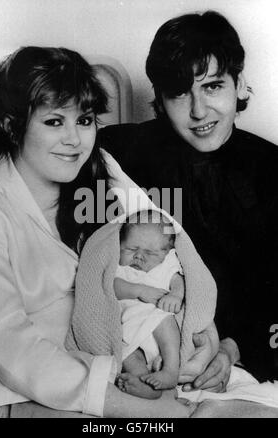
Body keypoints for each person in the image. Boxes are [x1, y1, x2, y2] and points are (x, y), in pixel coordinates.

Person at [0, 45, 203, 418]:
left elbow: (170, 236)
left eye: (84, 121)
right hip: (14, 390)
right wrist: (127, 406)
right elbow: (6, 342)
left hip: (115, 360)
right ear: (11, 124)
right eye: (54, 122)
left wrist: (204, 332)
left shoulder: (100, 167)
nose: (74, 139)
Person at [98, 10, 278, 389]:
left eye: (212, 86)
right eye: (180, 93)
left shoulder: (273, 170)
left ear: (239, 85)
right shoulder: (121, 151)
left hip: (240, 355)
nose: (198, 111)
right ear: (160, 101)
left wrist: (233, 349)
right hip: (140, 344)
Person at [114, 209, 184, 398]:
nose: (138, 257)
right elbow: (112, 286)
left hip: (157, 320)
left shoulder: (165, 266)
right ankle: (144, 384)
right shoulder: (120, 268)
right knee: (127, 353)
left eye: (149, 253)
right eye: (130, 249)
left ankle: (170, 370)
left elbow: (177, 281)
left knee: (165, 321)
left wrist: (176, 296)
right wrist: (139, 291)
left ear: (166, 253)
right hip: (128, 330)